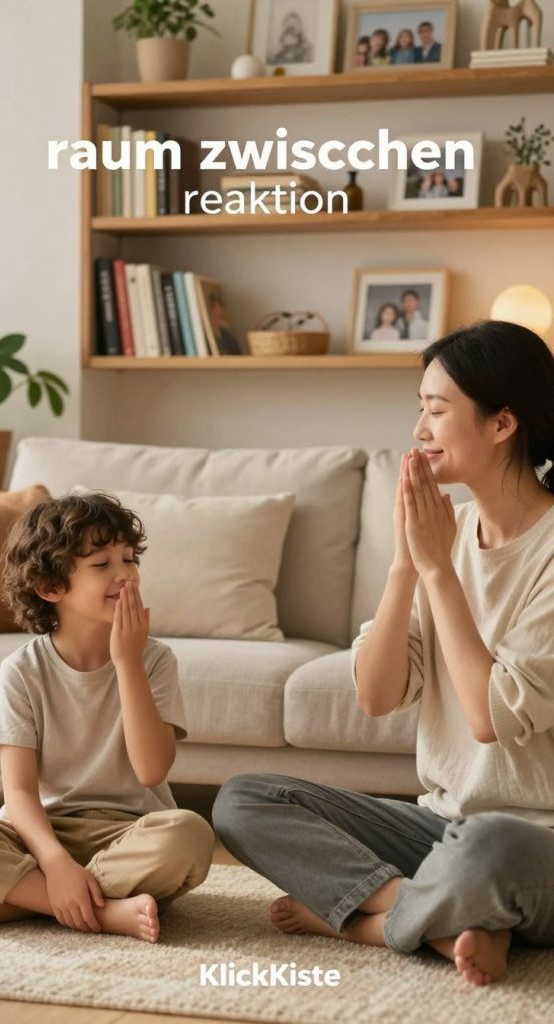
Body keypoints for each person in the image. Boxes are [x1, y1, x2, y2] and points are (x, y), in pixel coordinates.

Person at [213, 320, 554, 985]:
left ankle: (373, 921)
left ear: (501, 423)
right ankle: (444, 917)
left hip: (530, 844)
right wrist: (404, 566)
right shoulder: (439, 535)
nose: (418, 430)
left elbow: (489, 718)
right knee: (243, 800)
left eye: (435, 409)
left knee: (487, 845)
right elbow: (374, 697)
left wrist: (437, 574)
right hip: (440, 826)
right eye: (417, 409)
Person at [0, 492, 214, 941]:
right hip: (40, 834)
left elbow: (151, 770)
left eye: (129, 559)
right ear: (50, 588)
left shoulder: (154, 661)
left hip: (128, 833)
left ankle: (25, 902)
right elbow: (19, 792)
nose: (125, 575)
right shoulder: (21, 672)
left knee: (191, 834)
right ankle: (96, 909)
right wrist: (56, 862)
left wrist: (128, 663)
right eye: (102, 565)